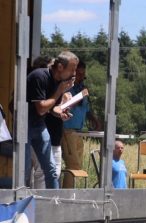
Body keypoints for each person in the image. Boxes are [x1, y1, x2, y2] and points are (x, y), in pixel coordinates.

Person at [26, 51, 78, 189]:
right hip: (25, 127)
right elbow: (41, 108)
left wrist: (61, 113)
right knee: (24, 171)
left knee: (51, 170)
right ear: (60, 67)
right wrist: (59, 91)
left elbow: (52, 108)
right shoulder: (39, 76)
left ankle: (54, 203)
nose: (74, 74)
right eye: (72, 69)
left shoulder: (58, 82)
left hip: (39, 125)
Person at [61, 60, 101, 188]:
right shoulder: (67, 87)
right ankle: (66, 195)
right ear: (73, 73)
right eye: (79, 74)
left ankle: (70, 192)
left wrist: (94, 120)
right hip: (67, 130)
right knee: (73, 165)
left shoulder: (81, 88)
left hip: (79, 132)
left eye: (83, 75)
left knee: (77, 166)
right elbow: (67, 105)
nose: (81, 77)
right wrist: (80, 94)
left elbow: (86, 108)